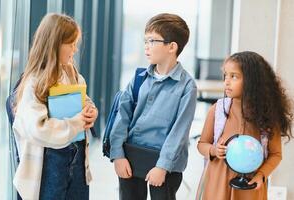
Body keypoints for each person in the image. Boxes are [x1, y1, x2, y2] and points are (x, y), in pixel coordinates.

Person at [110, 13, 197, 200]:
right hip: (130, 157)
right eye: (145, 41)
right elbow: (122, 117)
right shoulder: (139, 78)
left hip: (165, 164)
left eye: (152, 41)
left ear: (172, 47)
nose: (146, 47)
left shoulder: (187, 86)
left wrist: (162, 166)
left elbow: (179, 131)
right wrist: (117, 155)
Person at [12, 13, 98, 200]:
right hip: (49, 164)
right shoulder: (33, 83)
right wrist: (77, 122)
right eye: (71, 44)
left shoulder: (71, 72)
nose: (75, 50)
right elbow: (38, 129)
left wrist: (91, 111)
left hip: (76, 158)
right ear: (54, 44)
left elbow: (85, 100)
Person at [197, 51, 293, 200]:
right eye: (225, 75)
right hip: (217, 182)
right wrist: (214, 150)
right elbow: (202, 144)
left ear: (252, 81)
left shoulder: (267, 114)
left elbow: (276, 154)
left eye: (234, 76)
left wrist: (262, 175)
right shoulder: (217, 110)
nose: (226, 82)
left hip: (250, 187)